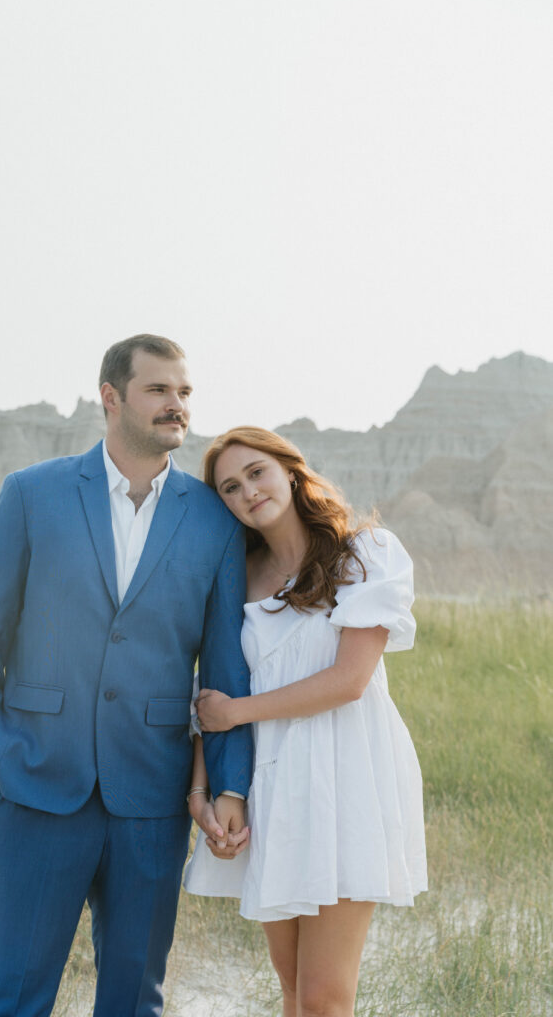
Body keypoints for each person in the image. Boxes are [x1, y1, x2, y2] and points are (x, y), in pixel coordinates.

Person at [0, 334, 253, 1017]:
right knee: (14, 999)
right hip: (31, 789)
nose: (176, 405)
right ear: (111, 398)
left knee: (133, 1000)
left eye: (183, 392)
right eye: (158, 390)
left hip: (151, 796)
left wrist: (230, 782)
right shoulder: (33, 494)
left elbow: (224, 666)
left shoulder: (213, 517)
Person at [184, 426, 427, 1017]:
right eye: (230, 487)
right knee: (292, 988)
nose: (248, 491)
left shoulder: (363, 553)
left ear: (290, 471)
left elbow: (349, 681)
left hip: (346, 778)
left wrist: (235, 713)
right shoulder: (235, 578)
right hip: (273, 782)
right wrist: (202, 790)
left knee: (324, 998)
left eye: (257, 472)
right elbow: (212, 693)